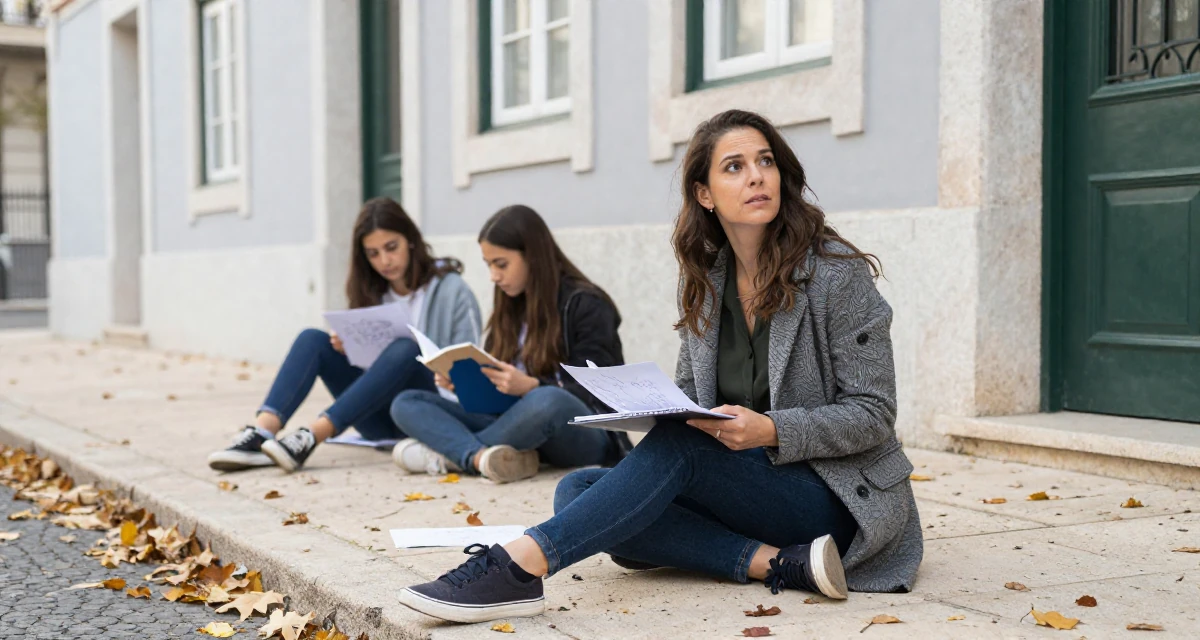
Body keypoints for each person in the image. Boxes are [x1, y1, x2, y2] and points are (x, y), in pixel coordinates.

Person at [394, 110, 923, 623]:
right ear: (704, 194)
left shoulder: (836, 275)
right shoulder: (705, 283)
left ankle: (517, 568)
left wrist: (771, 429)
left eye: (765, 161)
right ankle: (778, 562)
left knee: (662, 465)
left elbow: (875, 413)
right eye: (734, 166)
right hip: (749, 490)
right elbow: (692, 397)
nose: (757, 175)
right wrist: (656, 409)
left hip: (834, 499)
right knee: (577, 491)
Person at [207, 198, 482, 473]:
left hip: (428, 411)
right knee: (312, 339)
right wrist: (350, 349)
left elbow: (470, 374)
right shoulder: (371, 291)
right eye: (373, 254)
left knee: (406, 348)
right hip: (376, 417)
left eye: (391, 248)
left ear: (410, 240)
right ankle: (261, 433)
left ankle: (310, 436)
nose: (384, 261)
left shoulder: (453, 291)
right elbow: (371, 371)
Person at [389, 205, 631, 483]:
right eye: (488, 265)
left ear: (533, 257)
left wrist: (532, 386)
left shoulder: (585, 303)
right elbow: (496, 385)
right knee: (407, 401)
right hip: (512, 424)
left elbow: (606, 390)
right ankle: (481, 458)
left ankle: (454, 455)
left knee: (547, 400)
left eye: (501, 264)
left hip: (580, 432)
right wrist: (465, 384)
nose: (493, 275)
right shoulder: (509, 304)